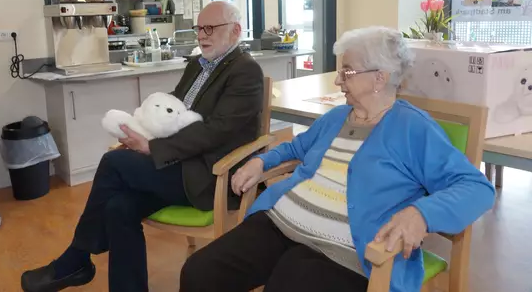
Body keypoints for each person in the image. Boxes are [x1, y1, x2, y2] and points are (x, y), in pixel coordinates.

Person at [180, 26, 495, 292]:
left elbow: (477, 187)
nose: (338, 81)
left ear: (379, 78)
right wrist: (262, 161)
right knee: (199, 272)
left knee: (290, 278)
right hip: (282, 223)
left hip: (347, 252)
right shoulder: (337, 117)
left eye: (347, 72)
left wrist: (421, 214)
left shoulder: (414, 128)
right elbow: (295, 148)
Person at [21, 1, 264, 292]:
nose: (201, 35)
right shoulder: (196, 65)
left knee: (113, 163)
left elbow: (216, 132)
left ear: (235, 31)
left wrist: (151, 147)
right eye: (199, 28)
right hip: (178, 165)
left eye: (210, 28)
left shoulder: (245, 71)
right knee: (118, 207)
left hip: (209, 176)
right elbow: (169, 109)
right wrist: (138, 132)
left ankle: (75, 260)